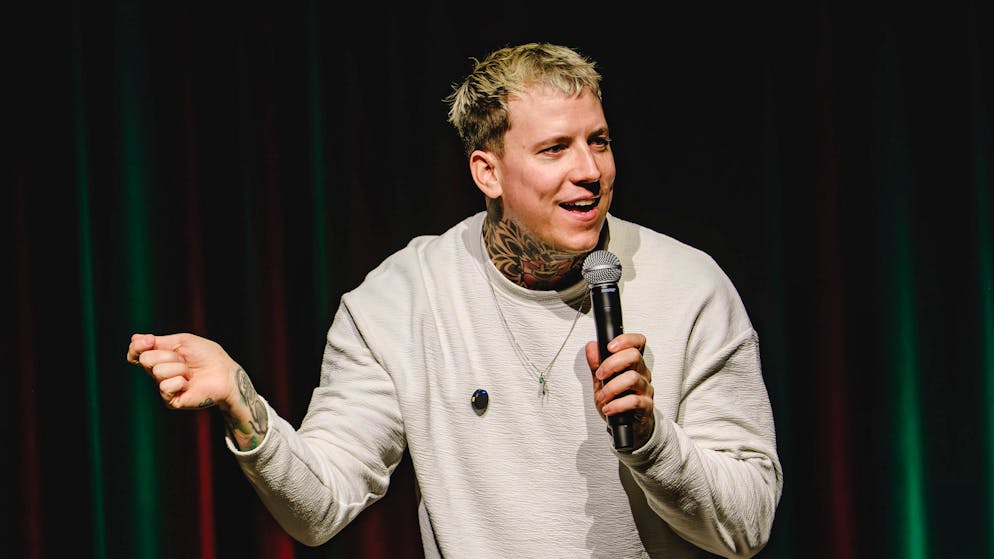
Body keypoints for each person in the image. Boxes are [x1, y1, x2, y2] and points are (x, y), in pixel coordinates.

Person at [127, 42, 783, 558]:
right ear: (487, 172)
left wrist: (650, 440)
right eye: (555, 149)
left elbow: (748, 525)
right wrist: (242, 404)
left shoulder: (690, 288)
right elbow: (320, 506)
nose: (590, 171)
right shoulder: (401, 301)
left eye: (599, 141)